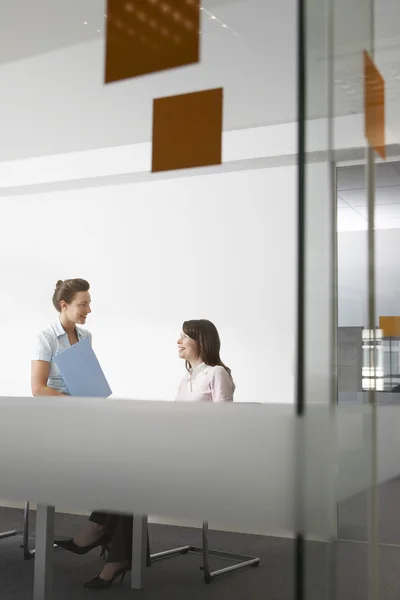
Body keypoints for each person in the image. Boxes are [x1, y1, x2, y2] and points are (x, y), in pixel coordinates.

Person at [57, 318, 233, 589]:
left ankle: (101, 532)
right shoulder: (186, 379)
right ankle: (113, 549)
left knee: (130, 473)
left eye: (185, 336)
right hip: (176, 455)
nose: (179, 340)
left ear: (202, 341)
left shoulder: (216, 373)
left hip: (199, 462)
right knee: (126, 469)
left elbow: (226, 427)